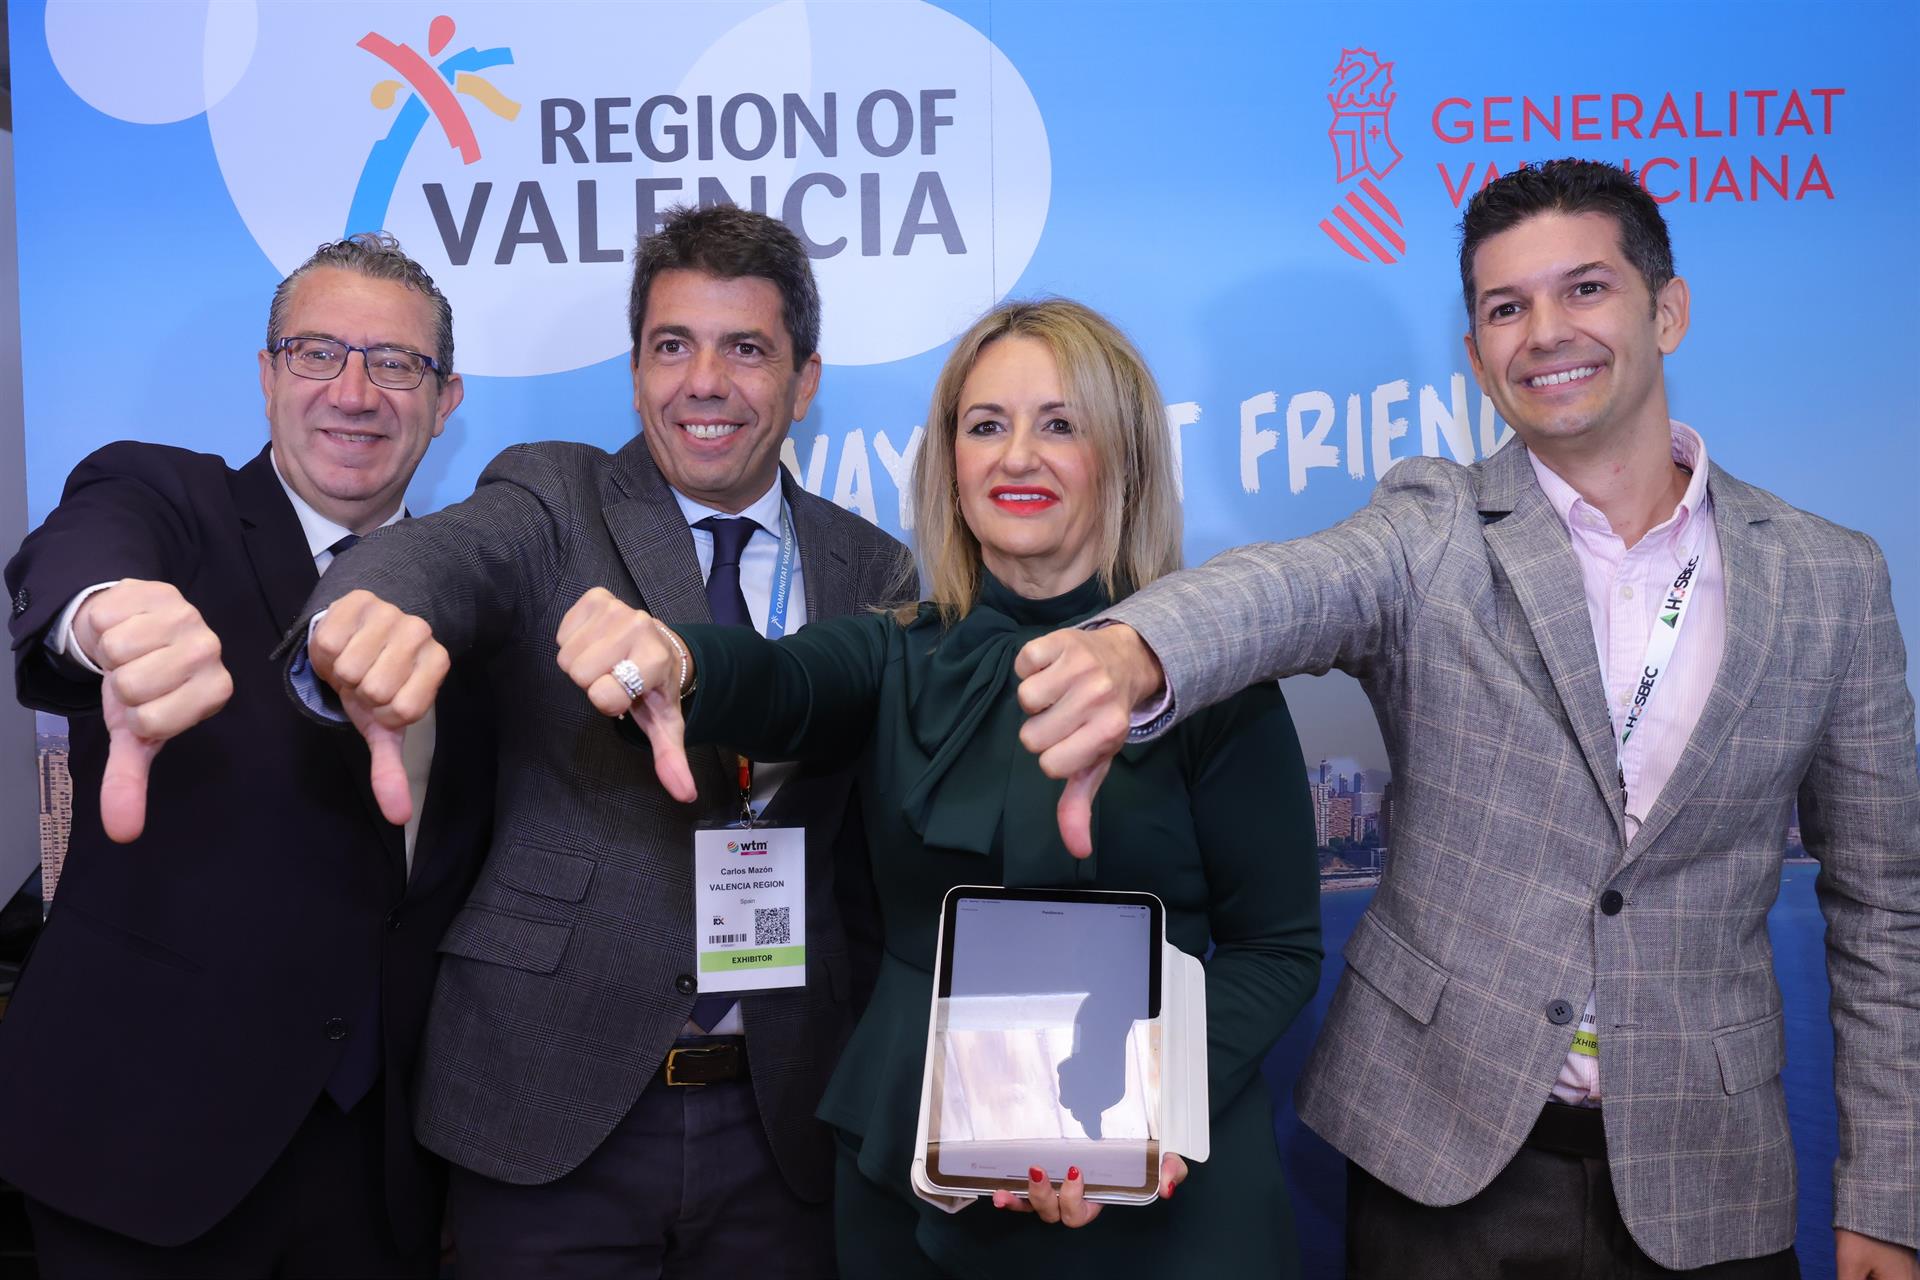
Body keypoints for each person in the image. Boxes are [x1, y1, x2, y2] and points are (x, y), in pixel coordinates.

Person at [1012, 159, 1920, 1279]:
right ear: (1478, 361)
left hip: (1709, 1173)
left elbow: (1887, 909)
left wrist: (1886, 1192)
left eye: (1584, 289)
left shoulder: (1831, 578)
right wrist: (1138, 647)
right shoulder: (1435, 526)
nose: (1545, 331)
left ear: (1667, 310)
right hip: (1442, 1162)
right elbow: (1292, 584)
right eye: (1505, 307)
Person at [575, 298, 1324, 1279]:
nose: (1017, 456)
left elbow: (1276, 946)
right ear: (950, 463)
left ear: (1127, 454)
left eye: (1061, 423)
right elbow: (778, 681)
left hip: (1163, 1190)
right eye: (986, 425)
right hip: (915, 1181)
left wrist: (1134, 1106)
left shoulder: (1207, 675)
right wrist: (674, 654)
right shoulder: (894, 651)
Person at [291, 204, 911, 1279]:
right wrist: (358, 623)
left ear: (805, 381)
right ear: (634, 371)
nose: (703, 382)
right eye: (672, 345)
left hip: (784, 1124)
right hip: (550, 1106)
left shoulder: (877, 571)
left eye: (745, 348)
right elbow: (439, 561)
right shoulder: (556, 495)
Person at [0, 232, 493, 1277]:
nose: (354, 391)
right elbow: (86, 551)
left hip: (381, 1179)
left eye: (395, 363)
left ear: (446, 401)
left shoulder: (474, 585)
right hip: (141, 1156)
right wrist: (107, 621)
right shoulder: (170, 502)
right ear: (268, 374)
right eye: (317, 352)